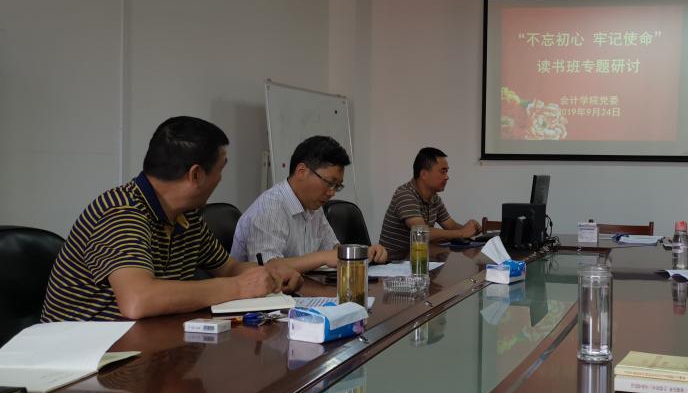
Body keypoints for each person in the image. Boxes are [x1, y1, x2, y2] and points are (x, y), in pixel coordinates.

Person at [42, 117, 302, 322]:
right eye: (220, 169)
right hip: (82, 358)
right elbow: (138, 300)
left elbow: (228, 268)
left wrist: (269, 274)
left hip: (147, 344)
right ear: (196, 175)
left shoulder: (187, 216)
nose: (220, 179)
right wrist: (238, 288)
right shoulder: (120, 212)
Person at [232, 136, 387, 272]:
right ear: (301, 171)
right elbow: (267, 268)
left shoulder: (313, 206)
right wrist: (322, 257)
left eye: (337, 186)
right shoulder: (269, 208)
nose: (332, 192)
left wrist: (365, 252)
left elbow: (333, 250)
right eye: (329, 183)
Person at [378, 147, 480, 258]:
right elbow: (422, 233)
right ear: (424, 174)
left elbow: (450, 225)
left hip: (418, 260)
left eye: (447, 172)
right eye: (443, 171)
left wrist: (470, 229)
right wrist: (462, 233)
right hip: (393, 264)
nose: (447, 177)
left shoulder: (434, 198)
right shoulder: (405, 194)